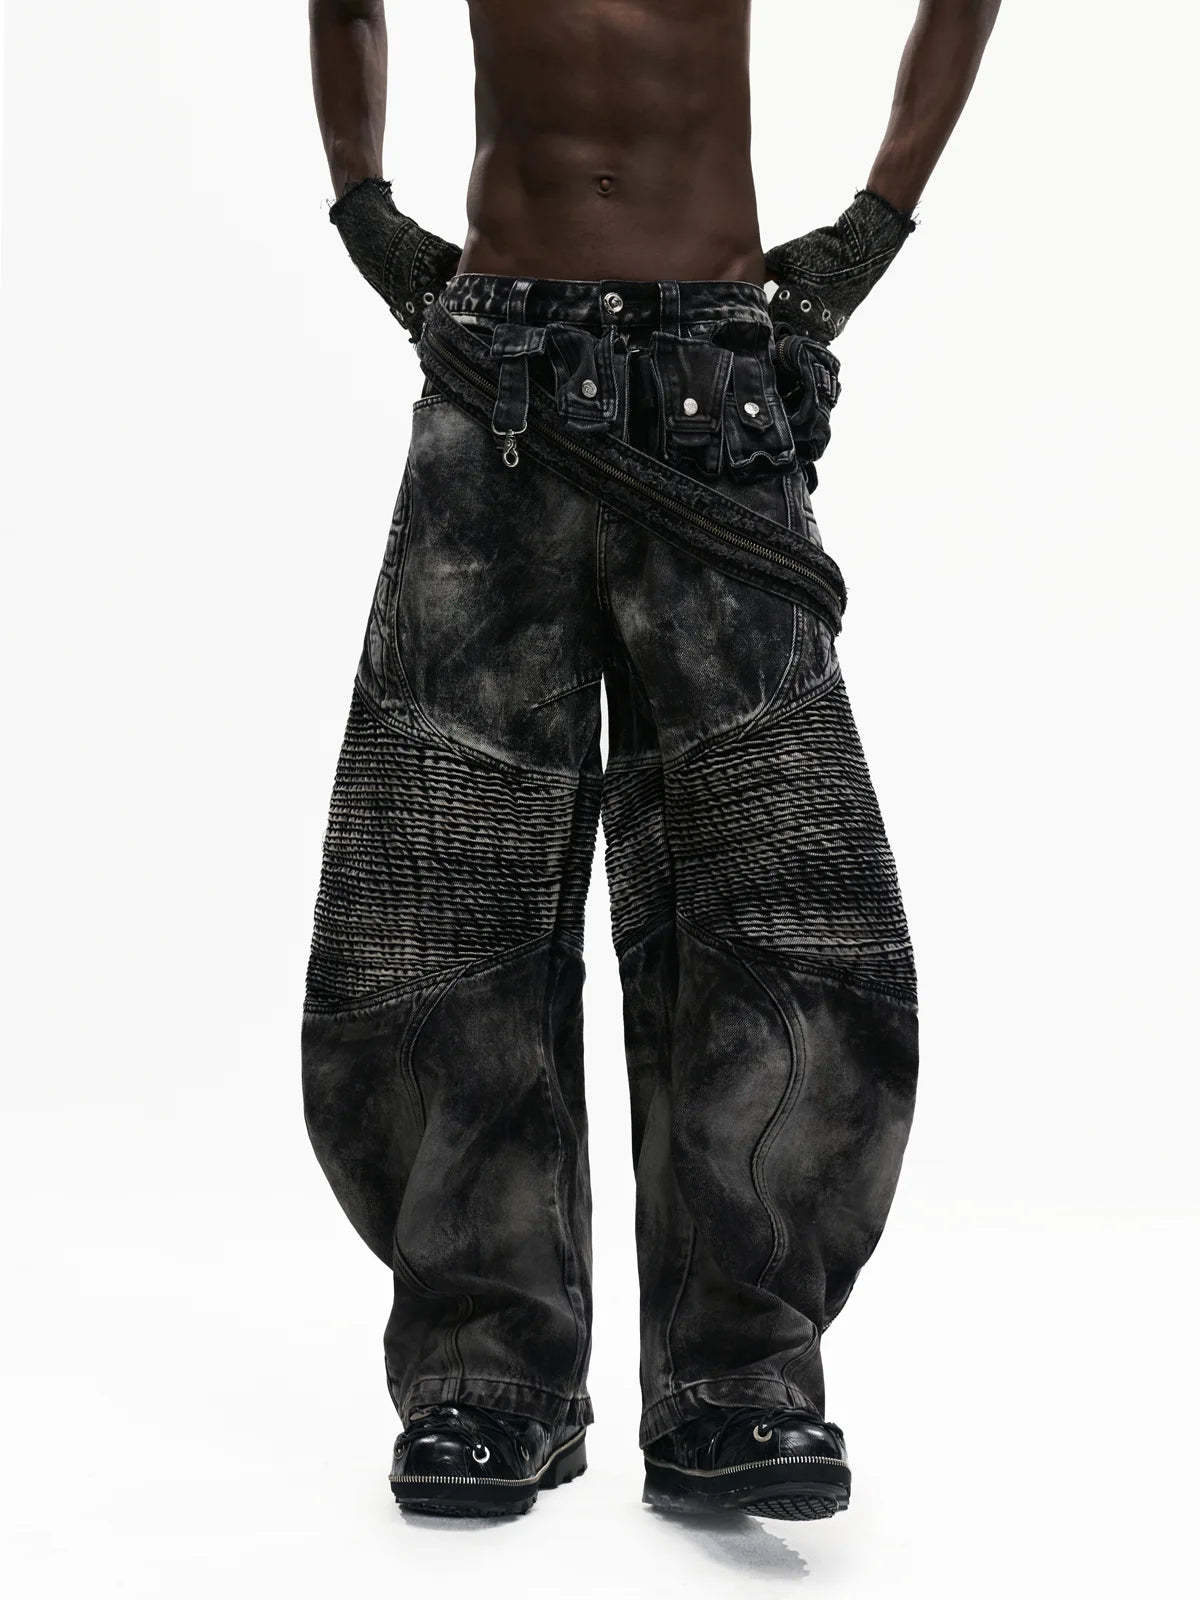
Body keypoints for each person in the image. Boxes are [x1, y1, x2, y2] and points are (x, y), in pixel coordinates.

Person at [302, 0, 1001, 1521]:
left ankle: (739, 1380)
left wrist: (873, 226)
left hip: (712, 375)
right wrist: (364, 208)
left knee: (770, 887)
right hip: (498, 374)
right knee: (447, 882)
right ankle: (488, 1376)